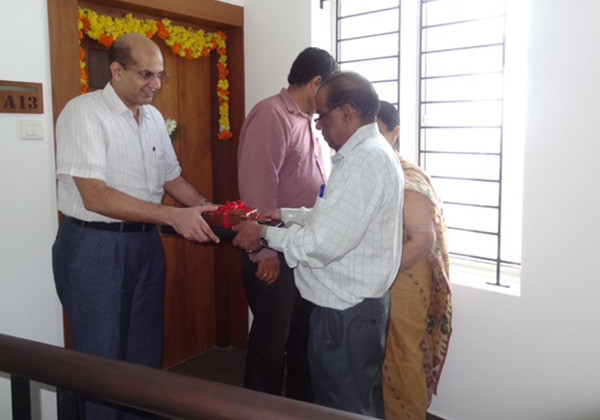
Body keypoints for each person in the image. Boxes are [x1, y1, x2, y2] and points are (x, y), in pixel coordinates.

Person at [52, 32, 218, 420]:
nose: (155, 85)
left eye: (160, 76)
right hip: (95, 248)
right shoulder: (84, 112)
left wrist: (210, 210)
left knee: (143, 360)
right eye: (146, 74)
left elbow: (171, 178)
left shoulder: (155, 118)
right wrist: (172, 216)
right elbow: (94, 196)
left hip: (145, 248)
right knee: (102, 365)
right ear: (116, 70)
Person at [233, 71, 404, 418]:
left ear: (346, 112)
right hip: (354, 309)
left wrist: (264, 235)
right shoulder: (367, 153)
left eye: (321, 117)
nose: (318, 128)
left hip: (344, 312)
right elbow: (335, 218)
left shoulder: (363, 161)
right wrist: (289, 214)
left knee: (341, 405)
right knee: (358, 401)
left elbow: (320, 244)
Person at [237, 47, 338, 401]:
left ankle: (297, 410)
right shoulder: (271, 114)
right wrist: (261, 252)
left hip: (300, 249)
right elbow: (257, 187)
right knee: (270, 343)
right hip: (272, 252)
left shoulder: (305, 120)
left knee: (301, 339)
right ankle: (256, 410)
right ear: (316, 82)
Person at [376, 101, 453, 420]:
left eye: (377, 133)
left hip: (406, 279)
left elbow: (423, 239)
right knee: (388, 355)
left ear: (395, 134)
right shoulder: (381, 171)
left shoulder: (408, 179)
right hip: (390, 276)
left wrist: (379, 273)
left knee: (401, 355)